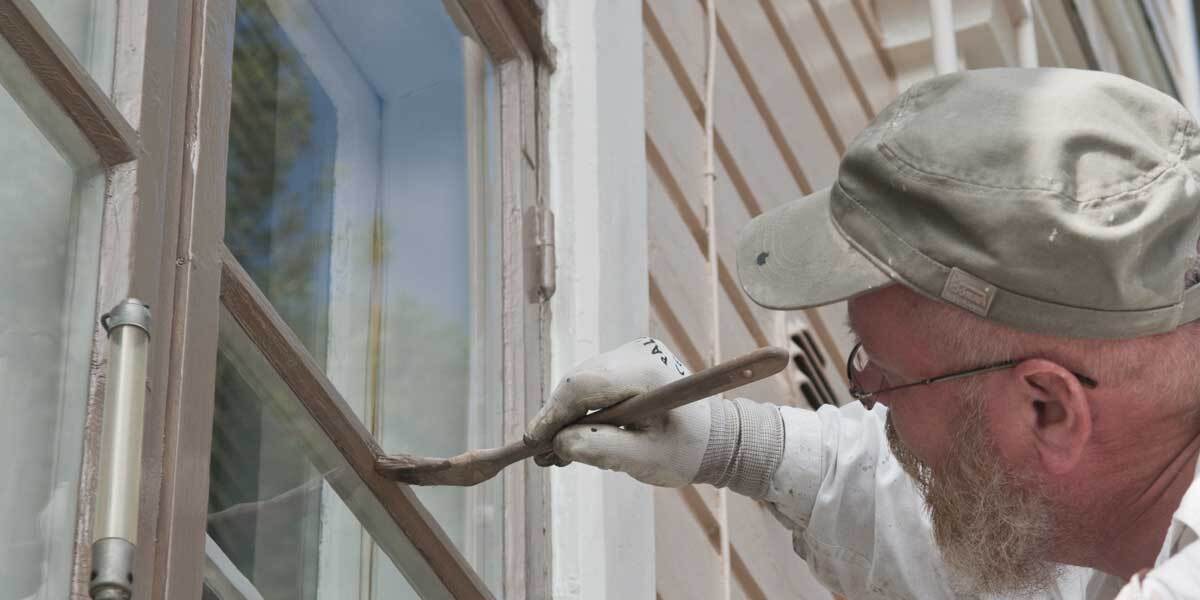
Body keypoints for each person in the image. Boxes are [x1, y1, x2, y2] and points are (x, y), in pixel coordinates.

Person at [525, 68, 1200, 599]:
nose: (869, 394)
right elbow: (959, 497)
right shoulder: (1121, 496)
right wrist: (730, 442)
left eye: (891, 374)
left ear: (1047, 408)